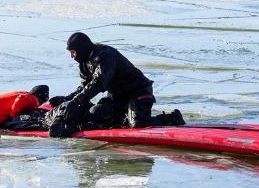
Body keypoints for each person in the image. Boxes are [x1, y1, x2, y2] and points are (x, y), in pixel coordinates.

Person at [49, 32, 184, 134]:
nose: (72, 57)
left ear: (82, 48)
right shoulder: (84, 63)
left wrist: (77, 100)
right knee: (97, 114)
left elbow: (99, 82)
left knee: (137, 125)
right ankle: (124, 118)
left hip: (138, 91)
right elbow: (85, 86)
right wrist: (68, 98)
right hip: (118, 95)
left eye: (73, 52)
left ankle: (173, 118)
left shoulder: (105, 55)